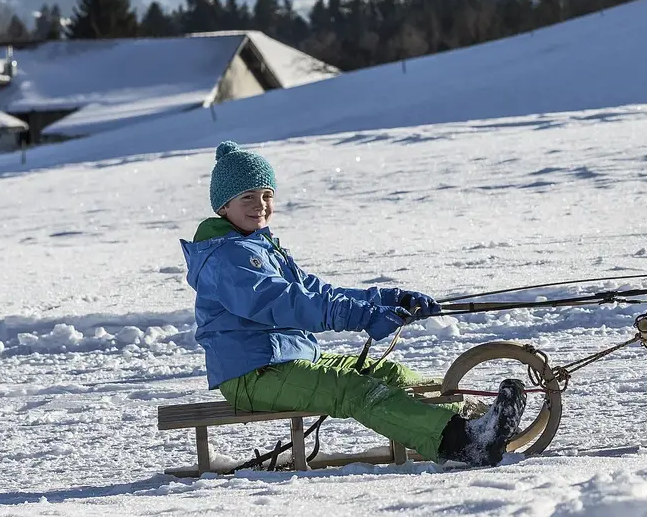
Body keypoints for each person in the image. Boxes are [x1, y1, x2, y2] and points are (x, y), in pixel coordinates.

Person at [181, 141, 526, 466]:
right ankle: (463, 441)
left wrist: (387, 299)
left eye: (267, 194)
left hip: (287, 359)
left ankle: (480, 417)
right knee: (355, 390)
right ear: (223, 206)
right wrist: (361, 316)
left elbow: (318, 290)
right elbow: (288, 303)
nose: (261, 204)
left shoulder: (260, 247)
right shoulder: (226, 258)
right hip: (253, 374)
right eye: (248, 196)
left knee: (389, 372)